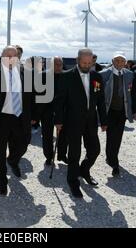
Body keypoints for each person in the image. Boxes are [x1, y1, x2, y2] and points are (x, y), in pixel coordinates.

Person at [0, 46, 36, 196]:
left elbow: (32, 97)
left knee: (24, 143)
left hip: (20, 117)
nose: (11, 59)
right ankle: (2, 183)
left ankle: (12, 160)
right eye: (7, 55)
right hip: (1, 119)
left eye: (14, 56)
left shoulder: (26, 73)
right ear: (2, 56)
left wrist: (34, 115)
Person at [54, 48, 108, 198]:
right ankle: (73, 181)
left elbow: (101, 100)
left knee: (95, 150)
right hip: (72, 121)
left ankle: (84, 170)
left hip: (91, 121)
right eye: (84, 62)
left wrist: (104, 120)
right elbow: (59, 101)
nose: (86, 65)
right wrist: (58, 121)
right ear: (77, 60)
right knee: (74, 153)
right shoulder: (66, 76)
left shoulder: (97, 76)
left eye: (89, 63)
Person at [100, 52, 134, 176]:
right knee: (110, 135)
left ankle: (112, 157)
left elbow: (132, 93)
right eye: (117, 60)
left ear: (125, 62)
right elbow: (99, 94)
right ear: (112, 61)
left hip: (122, 111)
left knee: (118, 136)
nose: (119, 63)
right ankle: (113, 161)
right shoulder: (104, 74)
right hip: (109, 111)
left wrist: (133, 110)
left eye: (122, 60)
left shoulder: (130, 74)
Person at [35, 57, 67, 165]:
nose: (58, 67)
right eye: (56, 64)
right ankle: (48, 156)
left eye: (60, 65)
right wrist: (36, 114)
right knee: (47, 135)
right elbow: (38, 95)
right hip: (46, 111)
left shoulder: (66, 75)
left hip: (62, 111)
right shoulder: (42, 76)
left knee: (63, 135)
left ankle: (62, 155)